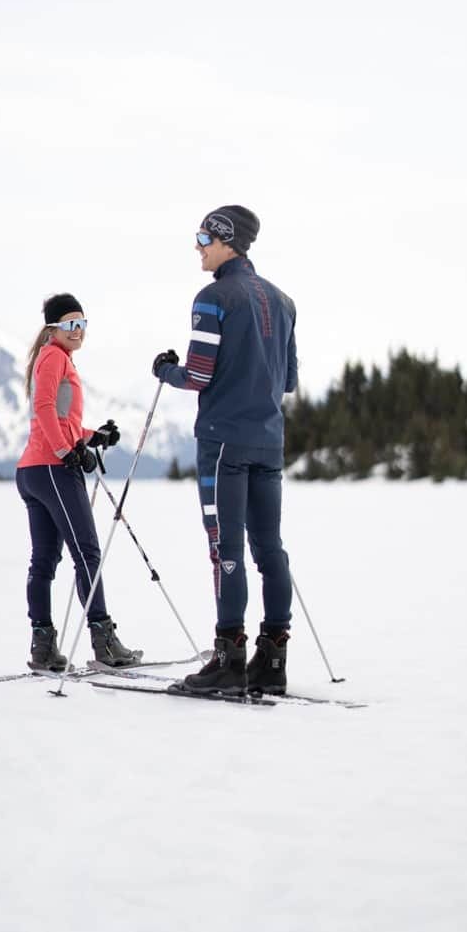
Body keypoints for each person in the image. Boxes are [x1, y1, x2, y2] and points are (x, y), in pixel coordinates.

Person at [152, 206, 297, 696]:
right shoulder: (283, 302)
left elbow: (196, 375)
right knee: (269, 549)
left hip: (222, 442)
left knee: (224, 549)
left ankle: (228, 659)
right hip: (270, 442)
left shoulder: (212, 298)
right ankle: (272, 659)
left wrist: (164, 370)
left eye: (203, 237)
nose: (197, 246)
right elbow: (289, 381)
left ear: (226, 241)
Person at [16, 293, 141, 670]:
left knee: (45, 560)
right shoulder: (54, 356)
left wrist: (92, 437)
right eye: (71, 325)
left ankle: (42, 648)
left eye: (82, 325)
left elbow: (60, 420)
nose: (78, 332)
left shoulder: (53, 357)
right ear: (53, 328)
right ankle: (103, 643)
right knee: (87, 552)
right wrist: (65, 452)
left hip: (34, 471)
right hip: (52, 469)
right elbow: (42, 411)